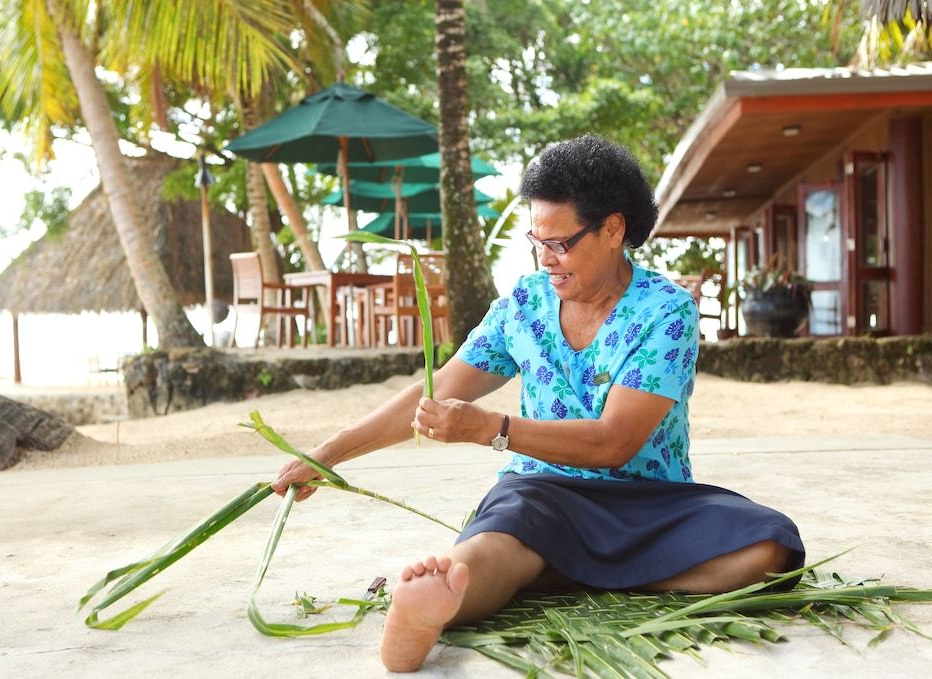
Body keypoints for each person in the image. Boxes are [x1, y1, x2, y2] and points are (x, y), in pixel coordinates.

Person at [272, 135, 805, 672]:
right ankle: (434, 605)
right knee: (496, 541)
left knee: (771, 547)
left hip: (648, 501)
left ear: (614, 229)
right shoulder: (524, 303)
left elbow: (615, 442)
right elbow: (433, 394)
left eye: (561, 243)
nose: (546, 259)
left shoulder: (665, 312)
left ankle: (555, 571)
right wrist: (327, 454)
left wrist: (492, 429)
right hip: (541, 493)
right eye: (537, 240)